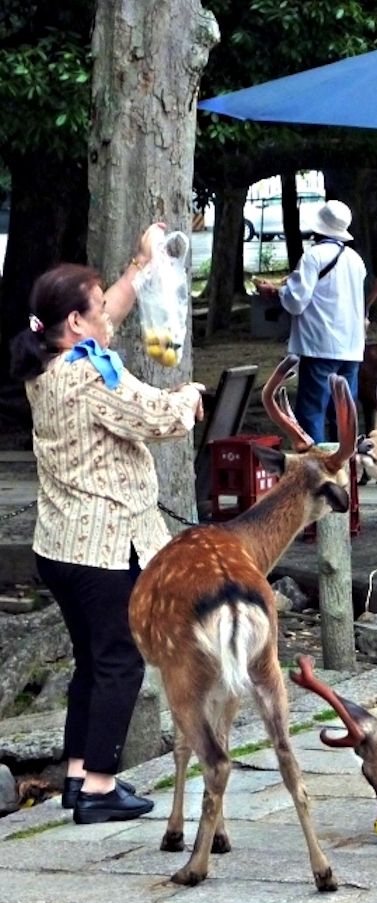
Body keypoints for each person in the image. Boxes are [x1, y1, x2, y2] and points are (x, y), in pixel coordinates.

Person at [9, 224, 205, 825]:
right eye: (96, 309)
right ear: (75, 322)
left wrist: (143, 264)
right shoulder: (89, 376)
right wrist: (189, 398)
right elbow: (152, 418)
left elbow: (113, 309)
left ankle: (75, 775)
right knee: (120, 660)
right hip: (102, 547)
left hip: (60, 545)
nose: (108, 314)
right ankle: (99, 786)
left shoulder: (48, 359)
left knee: (91, 662)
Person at [255, 199, 366, 441]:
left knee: (312, 412)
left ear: (318, 229)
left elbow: (296, 301)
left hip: (320, 346)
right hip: (352, 349)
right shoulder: (356, 260)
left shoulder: (313, 257)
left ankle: (318, 470)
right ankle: (346, 470)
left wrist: (275, 292)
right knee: (344, 415)